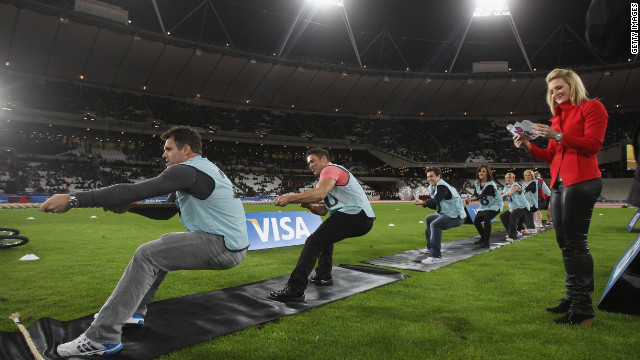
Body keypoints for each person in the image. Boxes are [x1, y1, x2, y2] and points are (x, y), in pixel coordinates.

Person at [39, 126, 249, 356]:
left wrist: (73, 199)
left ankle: (102, 337)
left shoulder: (185, 171)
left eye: (168, 149)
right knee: (164, 244)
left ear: (186, 149)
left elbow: (133, 190)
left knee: (147, 254)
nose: (164, 155)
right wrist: (131, 207)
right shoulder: (202, 169)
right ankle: (133, 311)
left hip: (222, 245)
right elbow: (166, 211)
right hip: (229, 244)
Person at [514, 68, 608, 326]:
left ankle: (583, 309)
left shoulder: (592, 107)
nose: (555, 93)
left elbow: (593, 145)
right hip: (559, 184)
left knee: (577, 244)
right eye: (552, 89)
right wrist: (529, 146)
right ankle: (572, 298)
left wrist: (557, 135)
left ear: (572, 85)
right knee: (564, 243)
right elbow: (552, 156)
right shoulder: (556, 119)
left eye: (559, 87)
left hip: (583, 181)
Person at [268, 148, 375, 302]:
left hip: (355, 215)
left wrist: (290, 198)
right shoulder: (328, 178)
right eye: (308, 163)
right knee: (324, 239)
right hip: (359, 218)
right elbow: (324, 211)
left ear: (324, 159)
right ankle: (323, 276)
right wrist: (309, 206)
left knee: (313, 242)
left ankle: (295, 289)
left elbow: (319, 194)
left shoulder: (330, 169)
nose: (310, 165)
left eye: (313, 161)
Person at [413, 167, 466, 263]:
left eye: (432, 176)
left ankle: (436, 256)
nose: (429, 179)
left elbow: (436, 201)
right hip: (448, 214)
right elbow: (436, 205)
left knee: (435, 224)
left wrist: (423, 203)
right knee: (429, 219)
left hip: (456, 216)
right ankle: (430, 248)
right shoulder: (434, 187)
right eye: (428, 177)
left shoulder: (442, 187)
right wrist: (424, 203)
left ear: (438, 176)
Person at [466, 164, 502, 248]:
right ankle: (483, 237)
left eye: (483, 171)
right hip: (484, 206)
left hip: (495, 205)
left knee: (487, 218)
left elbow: (482, 195)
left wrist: (473, 199)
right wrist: (470, 198)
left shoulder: (491, 184)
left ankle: (486, 241)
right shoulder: (477, 183)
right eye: (479, 171)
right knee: (476, 221)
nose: (480, 173)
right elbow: (475, 195)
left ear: (487, 173)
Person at [499, 173, 530, 242]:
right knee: (503, 216)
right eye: (506, 178)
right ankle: (512, 232)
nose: (507, 179)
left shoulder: (516, 185)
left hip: (523, 207)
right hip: (514, 208)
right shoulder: (506, 188)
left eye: (509, 177)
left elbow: (510, 193)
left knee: (513, 216)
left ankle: (513, 236)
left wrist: (502, 195)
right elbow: (504, 197)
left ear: (513, 179)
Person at [520, 169, 539, 234]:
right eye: (526, 175)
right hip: (525, 204)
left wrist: (522, 191)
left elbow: (527, 189)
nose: (527, 177)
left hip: (532, 204)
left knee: (528, 216)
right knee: (522, 216)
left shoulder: (533, 182)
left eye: (529, 175)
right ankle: (525, 228)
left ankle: (532, 228)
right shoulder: (524, 184)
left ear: (532, 176)